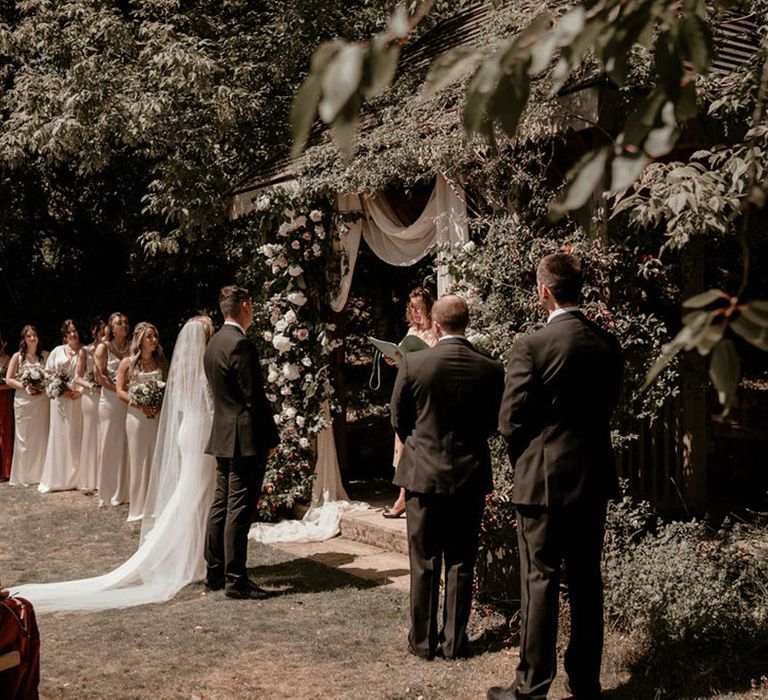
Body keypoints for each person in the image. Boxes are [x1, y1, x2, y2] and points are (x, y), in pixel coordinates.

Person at [9, 316, 218, 612]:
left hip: (191, 430)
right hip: (196, 432)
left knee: (194, 494)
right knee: (194, 493)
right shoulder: (202, 368)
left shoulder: (183, 367)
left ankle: (196, 555)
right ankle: (189, 555)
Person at [488, 253, 624, 700]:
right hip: (592, 479)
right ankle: (586, 682)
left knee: (539, 580)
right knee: (586, 580)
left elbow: (509, 421)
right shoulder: (608, 344)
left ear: (544, 291)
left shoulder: (532, 345)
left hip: (542, 481)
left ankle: (532, 685)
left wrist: (527, 460)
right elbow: (607, 408)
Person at [391, 295, 504, 660]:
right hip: (469, 474)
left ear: (435, 326)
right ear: (466, 324)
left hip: (423, 474)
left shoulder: (414, 364)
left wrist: (420, 444)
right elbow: (493, 422)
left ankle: (422, 643)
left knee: (423, 560)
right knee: (460, 560)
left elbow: (399, 418)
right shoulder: (490, 368)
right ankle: (455, 641)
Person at [203, 285, 280, 599]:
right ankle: (236, 580)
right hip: (245, 438)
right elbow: (254, 398)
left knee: (221, 504)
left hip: (222, 434)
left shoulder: (213, 343)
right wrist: (271, 437)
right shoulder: (240, 344)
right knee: (239, 508)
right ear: (245, 306)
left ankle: (214, 574)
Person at [383, 287, 439, 519]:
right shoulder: (410, 331)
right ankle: (403, 494)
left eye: (419, 308)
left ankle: (404, 498)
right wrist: (393, 358)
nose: (415, 312)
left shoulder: (435, 333)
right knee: (402, 442)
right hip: (407, 391)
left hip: (423, 393)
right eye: (412, 307)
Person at [116, 322, 167, 522]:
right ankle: (138, 507)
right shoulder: (127, 363)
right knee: (138, 460)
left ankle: (157, 504)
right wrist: (139, 404)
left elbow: (168, 388)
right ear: (140, 340)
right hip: (136, 417)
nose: (154, 340)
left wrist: (160, 404)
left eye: (155, 336)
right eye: (149, 337)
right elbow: (120, 390)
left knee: (157, 458)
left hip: (157, 417)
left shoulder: (161, 361)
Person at [38, 319, 83, 493]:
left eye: (75, 331)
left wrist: (79, 391)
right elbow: (48, 373)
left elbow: (89, 375)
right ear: (65, 334)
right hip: (59, 401)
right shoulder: (57, 351)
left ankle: (76, 476)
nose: (73, 334)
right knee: (60, 435)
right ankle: (58, 476)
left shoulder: (84, 352)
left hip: (77, 399)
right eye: (70, 331)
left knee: (75, 435)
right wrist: (58, 387)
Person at [94, 312, 130, 507]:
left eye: (125, 322)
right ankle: (106, 492)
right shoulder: (103, 348)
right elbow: (100, 377)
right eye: (119, 323)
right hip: (110, 400)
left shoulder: (132, 347)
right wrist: (118, 390)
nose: (123, 325)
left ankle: (124, 490)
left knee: (126, 442)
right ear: (111, 327)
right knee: (109, 443)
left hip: (128, 399)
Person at [6, 326, 49, 487]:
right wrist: (25, 386)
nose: (32, 338)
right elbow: (9, 379)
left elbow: (51, 376)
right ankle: (24, 475)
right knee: (24, 438)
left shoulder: (45, 356)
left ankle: (40, 473)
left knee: (41, 436)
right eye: (29, 336)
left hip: (41, 401)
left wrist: (43, 386)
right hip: (23, 401)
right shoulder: (18, 357)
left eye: (34, 335)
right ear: (24, 339)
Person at [74, 319, 105, 492]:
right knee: (91, 435)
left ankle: (104, 477)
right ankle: (90, 479)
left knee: (104, 435)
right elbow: (77, 377)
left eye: (105, 330)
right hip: (91, 397)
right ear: (94, 331)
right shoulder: (85, 351)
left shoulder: (111, 350)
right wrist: (92, 386)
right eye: (100, 330)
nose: (103, 334)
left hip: (106, 396)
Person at [0, 333, 14, 481]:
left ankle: (5, 470)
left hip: (4, 399)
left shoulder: (8, 360)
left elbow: (11, 380)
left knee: (5, 433)